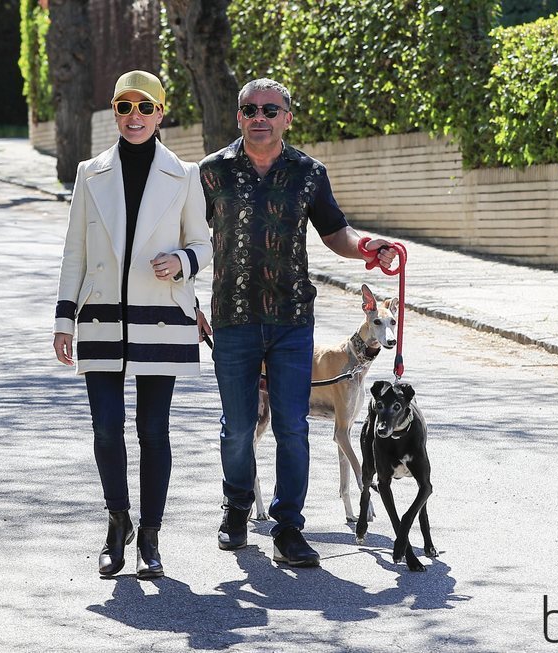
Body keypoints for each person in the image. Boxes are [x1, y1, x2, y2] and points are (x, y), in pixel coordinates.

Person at [199, 78, 398, 567]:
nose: (259, 117)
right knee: (238, 426)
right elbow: (187, 236)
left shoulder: (309, 173)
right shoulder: (210, 173)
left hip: (291, 320)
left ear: (288, 117)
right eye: (250, 109)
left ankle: (289, 526)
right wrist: (186, 300)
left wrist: (367, 248)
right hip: (233, 317)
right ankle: (237, 508)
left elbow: (336, 231)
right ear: (238, 117)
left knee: (292, 426)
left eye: (271, 109)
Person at [53, 70, 212, 579]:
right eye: (125, 108)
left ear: (161, 114)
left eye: (145, 108)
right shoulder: (88, 172)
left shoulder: (184, 175)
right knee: (105, 427)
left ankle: (150, 536)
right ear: (115, 114)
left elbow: (204, 245)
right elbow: (74, 249)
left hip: (161, 318)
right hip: (99, 317)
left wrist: (182, 261)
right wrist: (62, 319)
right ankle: (116, 523)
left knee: (153, 430)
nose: (135, 117)